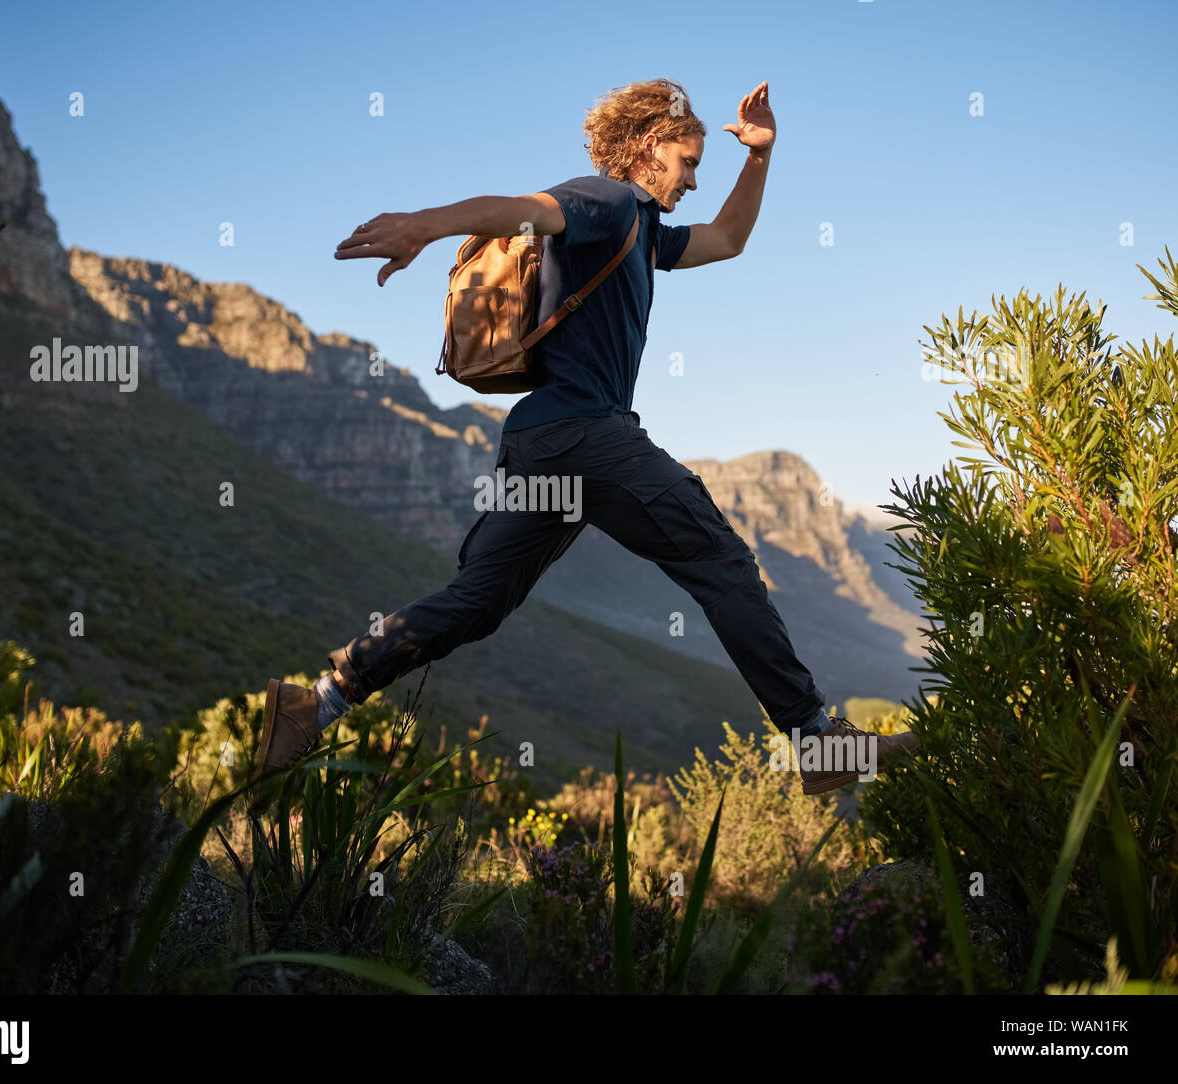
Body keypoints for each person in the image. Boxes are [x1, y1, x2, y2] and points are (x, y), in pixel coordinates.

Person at [253, 78, 918, 806]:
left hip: (541, 445)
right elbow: (522, 211)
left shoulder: (642, 233)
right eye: (689, 162)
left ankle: (315, 702)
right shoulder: (608, 201)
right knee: (718, 557)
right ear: (644, 148)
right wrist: (425, 223)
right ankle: (816, 741)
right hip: (586, 433)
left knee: (478, 600)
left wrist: (759, 157)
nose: (696, 179)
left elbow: (728, 240)